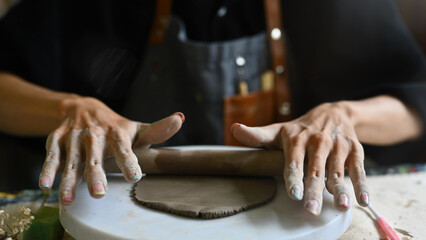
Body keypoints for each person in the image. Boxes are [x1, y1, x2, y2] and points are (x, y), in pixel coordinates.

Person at [0, 0, 425, 217]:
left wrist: (345, 116)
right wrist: (70, 107)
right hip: (123, 209)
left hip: (290, 209)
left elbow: (414, 103)